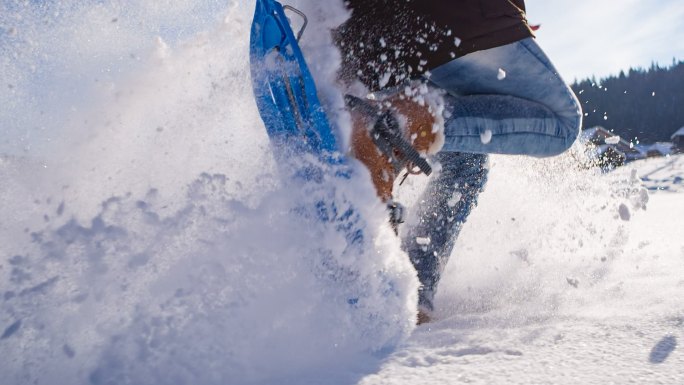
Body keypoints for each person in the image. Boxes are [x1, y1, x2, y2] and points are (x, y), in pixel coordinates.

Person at [333, 0, 582, 323]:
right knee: (561, 122)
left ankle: (413, 291)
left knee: (466, 165)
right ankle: (399, 125)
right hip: (451, 19)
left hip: (367, 40)